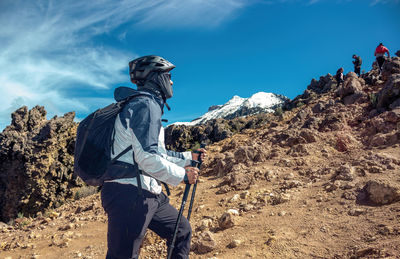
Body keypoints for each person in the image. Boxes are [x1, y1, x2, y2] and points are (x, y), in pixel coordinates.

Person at [100, 55, 207, 259]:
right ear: (156, 78)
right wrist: (182, 176)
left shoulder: (148, 105)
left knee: (181, 231)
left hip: (147, 191)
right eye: (168, 76)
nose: (172, 81)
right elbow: (147, 158)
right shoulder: (144, 106)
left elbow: (158, 153)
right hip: (128, 193)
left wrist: (187, 157)